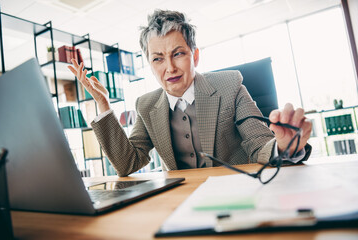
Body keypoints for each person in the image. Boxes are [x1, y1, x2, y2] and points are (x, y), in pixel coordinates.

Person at [68, 9, 312, 177]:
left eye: (178, 54)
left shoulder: (230, 86)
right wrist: (103, 104)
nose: (170, 68)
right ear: (150, 64)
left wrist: (284, 147)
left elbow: (259, 145)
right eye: (158, 59)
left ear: (194, 55)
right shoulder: (146, 105)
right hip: (182, 201)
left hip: (237, 192)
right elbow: (128, 163)